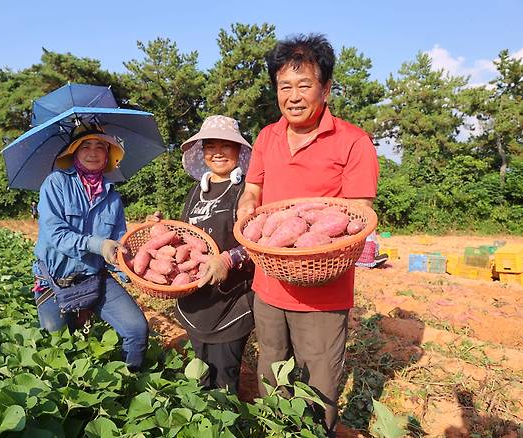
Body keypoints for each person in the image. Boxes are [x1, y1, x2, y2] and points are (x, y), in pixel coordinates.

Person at [237, 34, 379, 435]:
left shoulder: (353, 141)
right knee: (272, 371)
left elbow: (358, 214)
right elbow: (253, 190)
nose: (293, 96)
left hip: (323, 290)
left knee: (318, 382)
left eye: (304, 85)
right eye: (284, 86)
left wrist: (310, 235)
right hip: (268, 281)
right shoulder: (266, 137)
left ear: (326, 87)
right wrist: (247, 208)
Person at [150, 115, 255, 394]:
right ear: (202, 151)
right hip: (196, 298)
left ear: (240, 152)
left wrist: (228, 259)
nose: (218, 152)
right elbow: (187, 235)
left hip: (231, 300)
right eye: (210, 145)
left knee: (224, 376)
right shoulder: (197, 190)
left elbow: (258, 244)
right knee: (199, 370)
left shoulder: (246, 192)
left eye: (227, 145)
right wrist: (162, 229)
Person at [32, 127, 149, 371]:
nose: (93, 152)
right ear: (74, 152)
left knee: (136, 329)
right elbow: (55, 234)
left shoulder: (112, 197)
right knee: (59, 345)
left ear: (108, 155)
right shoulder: (56, 183)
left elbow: (118, 244)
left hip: (94, 277)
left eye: (101, 147)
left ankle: (126, 385)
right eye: (86, 146)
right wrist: (97, 244)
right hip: (55, 280)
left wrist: (141, 252)